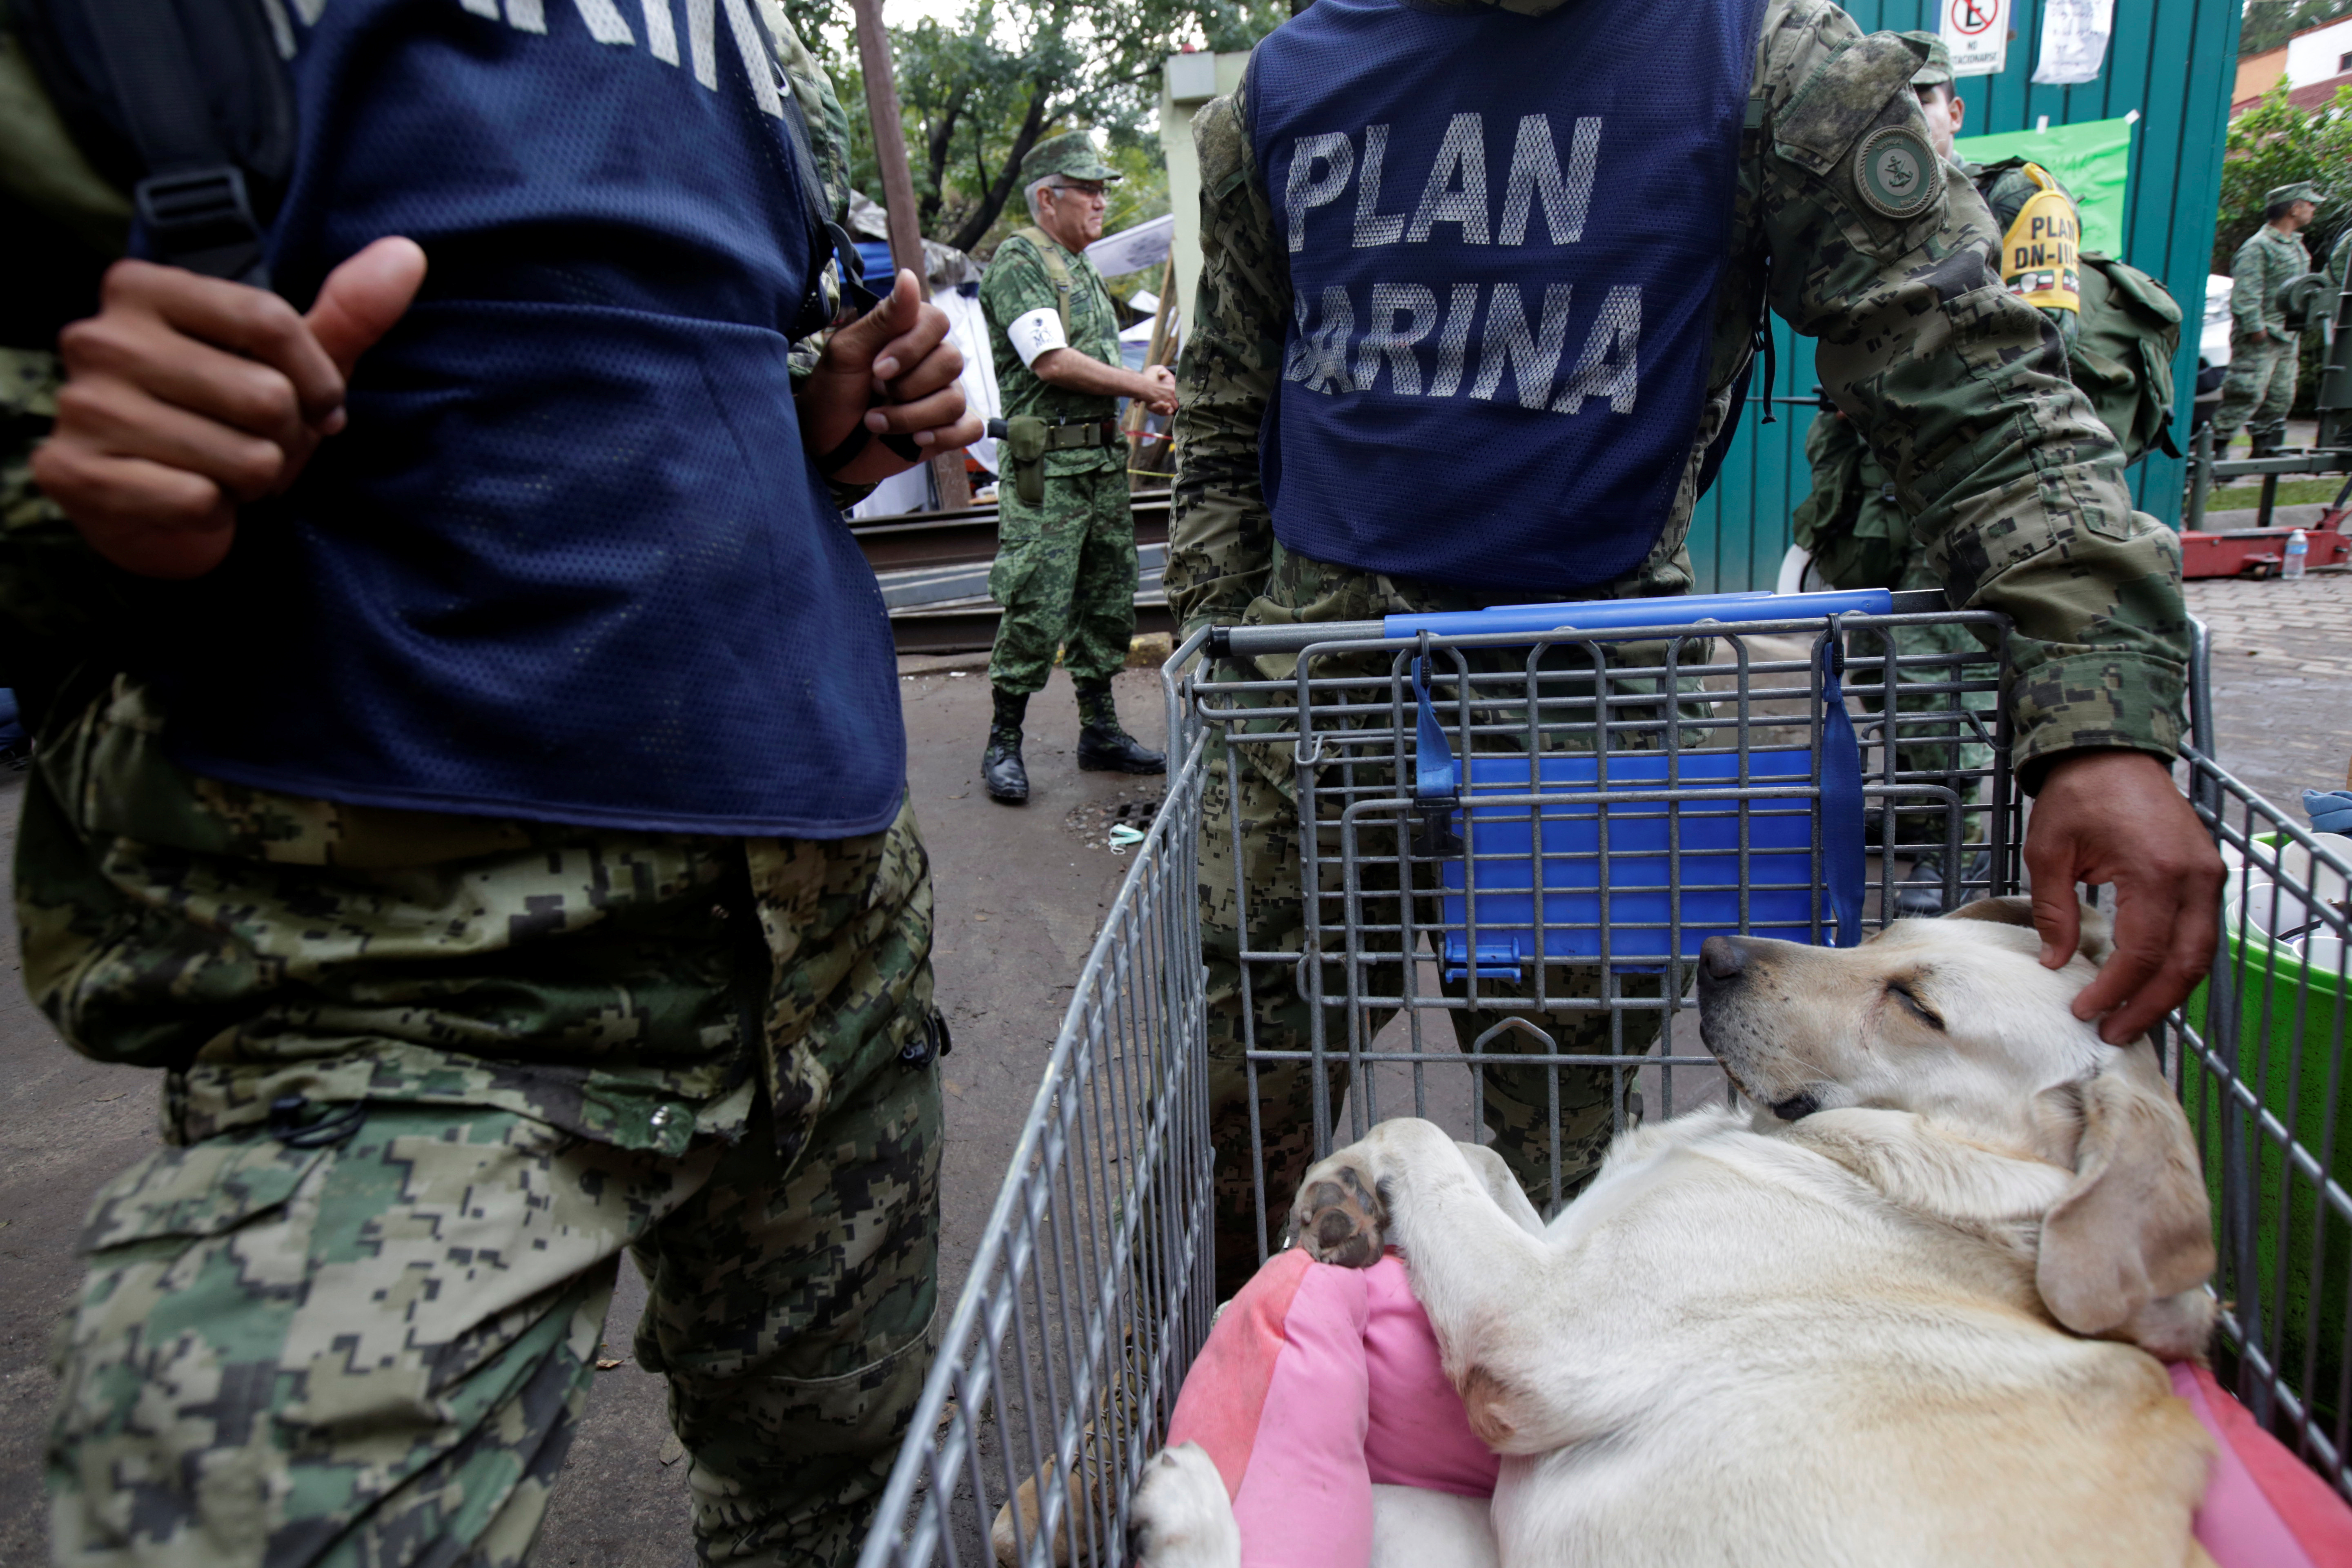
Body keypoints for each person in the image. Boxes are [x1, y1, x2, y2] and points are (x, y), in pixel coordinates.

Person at [7, 1, 983, 1562]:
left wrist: (806, 405)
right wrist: (80, 478)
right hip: (412, 990)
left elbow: (649, 328)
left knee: (851, 1498)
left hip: (833, 934)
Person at [1168, 0, 2222, 1301]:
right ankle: (1232, 1389)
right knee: (1233, 1117)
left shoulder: (1768, 63)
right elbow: (1226, 402)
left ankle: (1524, 1449)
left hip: (1583, 710)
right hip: (1310, 707)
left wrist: (2102, 712)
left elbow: (1971, 377)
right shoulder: (1284, 88)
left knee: (1562, 1156)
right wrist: (1224, 664)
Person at [1792, 31, 2094, 916]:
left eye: (1922, 103)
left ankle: (1959, 869)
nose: (1910, 122)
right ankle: (1929, 822)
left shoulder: (2023, 202)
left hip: (1957, 504)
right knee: (1885, 675)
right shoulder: (1859, 211)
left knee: (1941, 687)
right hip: (1879, 504)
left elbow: (2041, 350)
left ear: (1953, 112)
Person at [976, 131, 1179, 805]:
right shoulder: (1020, 260)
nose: (1101, 201)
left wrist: (1140, 376)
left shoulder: (1081, 265)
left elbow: (1089, 363)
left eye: (1102, 189)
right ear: (1046, 196)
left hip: (1097, 464)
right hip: (1049, 471)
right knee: (1035, 605)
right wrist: (1139, 387)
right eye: (1088, 189)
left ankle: (1100, 731)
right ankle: (1004, 741)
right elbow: (1051, 362)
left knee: (1105, 603)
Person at [2214, 181, 2321, 460]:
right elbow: (2246, 293)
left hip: (2287, 334)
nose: (2313, 209)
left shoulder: (2295, 246)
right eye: (2309, 204)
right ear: (2294, 209)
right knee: (2246, 392)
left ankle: (2265, 447)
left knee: (2281, 395)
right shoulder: (2259, 247)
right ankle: (2215, 448)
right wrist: (2255, 329)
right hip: (2263, 335)